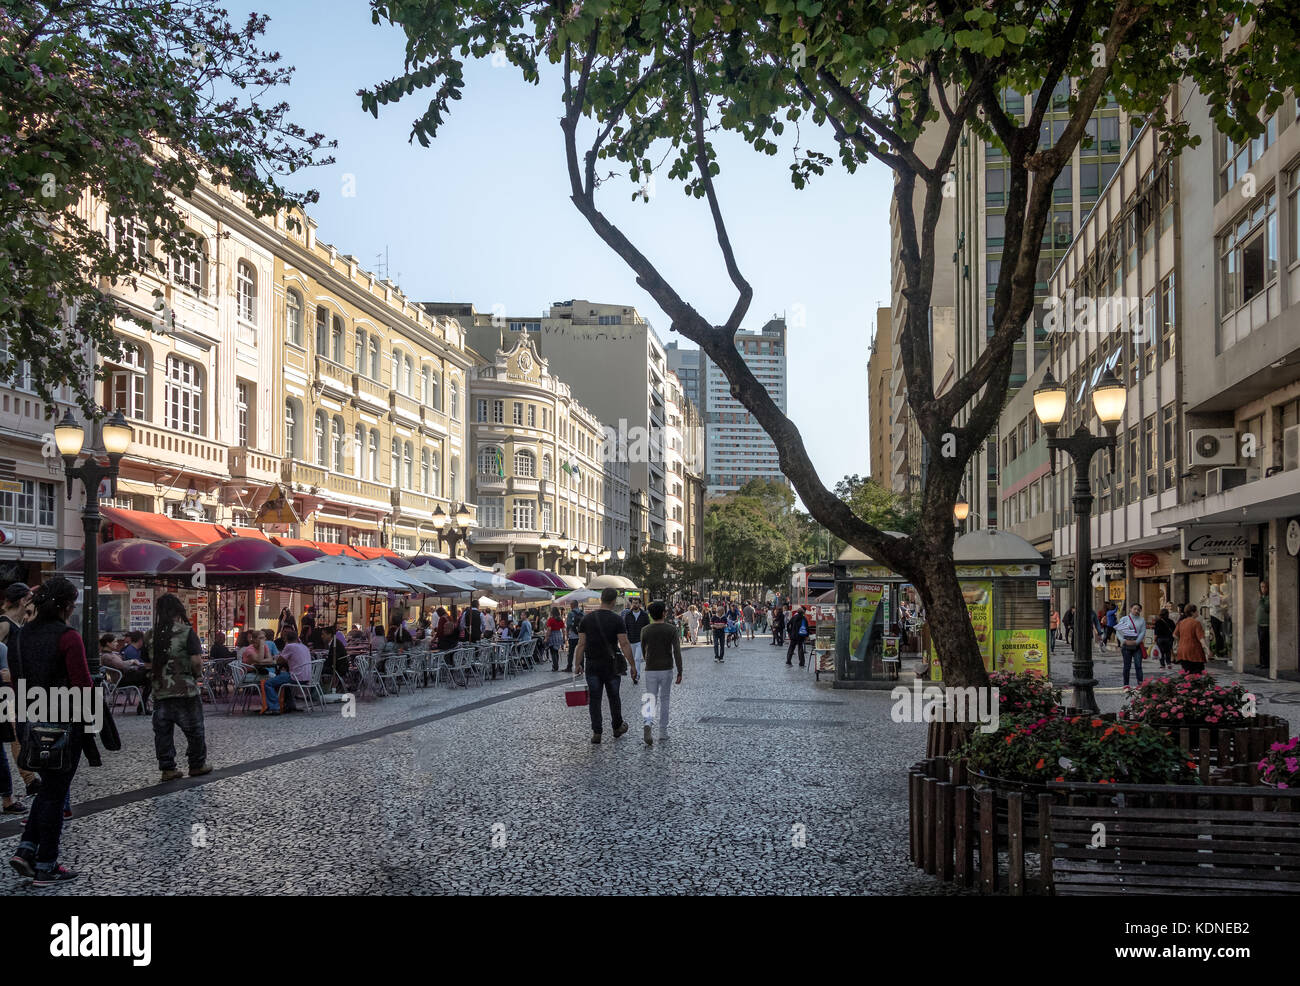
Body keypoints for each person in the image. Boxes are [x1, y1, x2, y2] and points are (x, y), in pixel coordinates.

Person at [8, 577, 91, 885]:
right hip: (64, 725)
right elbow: (82, 685)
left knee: (48, 790)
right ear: (67, 606)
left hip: (32, 720)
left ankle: (26, 850)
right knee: (56, 795)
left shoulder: (20, 636)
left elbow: (18, 683)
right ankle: (46, 864)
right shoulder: (69, 637)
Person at [147, 593, 211, 779]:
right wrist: (195, 676)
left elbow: (147, 663)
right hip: (185, 690)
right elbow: (196, 661)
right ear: (178, 611)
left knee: (163, 732)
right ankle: (197, 764)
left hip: (160, 691)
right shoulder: (186, 632)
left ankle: (167, 768)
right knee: (195, 729)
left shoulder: (151, 635)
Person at [574, 588, 636, 744]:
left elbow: (581, 644)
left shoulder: (586, 620)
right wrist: (633, 665)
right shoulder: (617, 620)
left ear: (601, 599)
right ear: (614, 601)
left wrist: (577, 664)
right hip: (611, 664)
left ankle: (597, 732)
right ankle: (616, 727)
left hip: (592, 664)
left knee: (595, 699)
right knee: (614, 697)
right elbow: (624, 643)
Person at [1, 582, 38, 798]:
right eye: (30, 597)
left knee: (19, 735)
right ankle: (30, 780)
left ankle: (30, 780)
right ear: (23, 600)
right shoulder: (4, 624)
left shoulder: (18, 622)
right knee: (17, 735)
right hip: (5, 689)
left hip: (15, 688)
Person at [639, 599, 683, 745]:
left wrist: (647, 659)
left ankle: (647, 723)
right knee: (665, 699)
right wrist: (680, 670)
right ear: (664, 613)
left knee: (650, 697)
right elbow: (676, 651)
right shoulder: (671, 629)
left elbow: (643, 649)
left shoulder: (645, 630)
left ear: (651, 614)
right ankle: (663, 731)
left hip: (651, 668)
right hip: (666, 668)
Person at [101, 632, 153, 715]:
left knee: (149, 678)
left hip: (125, 677)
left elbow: (122, 665)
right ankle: (142, 706)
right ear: (108, 643)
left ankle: (142, 705)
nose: (117, 643)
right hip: (121, 680)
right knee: (149, 677)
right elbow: (121, 665)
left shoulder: (112, 654)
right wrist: (132, 661)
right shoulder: (107, 656)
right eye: (114, 642)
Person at [263, 628, 311, 714]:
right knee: (283, 681)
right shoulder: (304, 647)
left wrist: (285, 647)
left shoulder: (289, 646)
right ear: (297, 638)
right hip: (307, 677)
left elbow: (279, 661)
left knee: (268, 683)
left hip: (296, 676)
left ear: (286, 639)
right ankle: (290, 705)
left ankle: (274, 707)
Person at [1171, 602, 1208, 675]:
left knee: (1187, 673)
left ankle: (1187, 685)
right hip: (1195, 652)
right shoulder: (1196, 623)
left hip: (1182, 651)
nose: (1198, 612)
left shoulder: (1181, 623)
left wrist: (1181, 640)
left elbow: (1174, 635)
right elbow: (1201, 638)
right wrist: (1207, 648)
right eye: (1196, 611)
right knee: (1197, 673)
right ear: (1192, 612)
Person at [1115, 602, 1146, 687]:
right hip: (1126, 645)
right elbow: (1118, 632)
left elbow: (1142, 632)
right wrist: (1124, 641)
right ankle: (1126, 684)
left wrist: (1136, 642)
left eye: (1138, 609)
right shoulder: (1124, 619)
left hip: (1137, 645)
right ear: (1130, 609)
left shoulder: (1142, 620)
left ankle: (1140, 683)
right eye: (1135, 609)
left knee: (1138, 665)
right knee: (1127, 666)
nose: (1136, 611)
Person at [545, 607, 566, 671]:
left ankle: (555, 666)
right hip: (558, 635)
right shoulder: (560, 620)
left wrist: (546, 638)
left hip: (552, 635)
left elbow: (549, 629)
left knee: (553, 651)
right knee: (556, 651)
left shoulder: (550, 620)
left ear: (552, 612)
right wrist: (564, 638)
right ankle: (556, 665)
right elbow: (563, 630)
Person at [564, 599, 582, 672]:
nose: (570, 606)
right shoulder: (582, 612)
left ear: (572, 605)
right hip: (581, 636)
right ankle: (581, 666)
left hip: (573, 636)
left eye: (570, 605)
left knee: (571, 652)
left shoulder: (570, 613)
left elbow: (568, 625)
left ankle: (569, 667)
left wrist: (567, 634)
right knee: (581, 651)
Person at [1257, 580, 1270, 671]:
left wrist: (1261, 599)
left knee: (1264, 645)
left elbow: (1266, 608)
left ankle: (1265, 663)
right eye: (1261, 587)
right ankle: (1262, 662)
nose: (1263, 589)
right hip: (1260, 624)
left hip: (1266, 625)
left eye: (1264, 587)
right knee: (1261, 645)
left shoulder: (1268, 598)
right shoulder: (1263, 597)